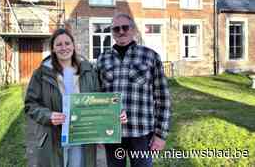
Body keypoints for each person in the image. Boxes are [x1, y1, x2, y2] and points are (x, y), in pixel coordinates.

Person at [96, 13, 171, 167]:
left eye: (125, 27)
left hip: (142, 133)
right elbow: (97, 97)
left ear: (134, 30)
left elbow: (163, 98)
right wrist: (99, 132)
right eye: (116, 29)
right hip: (112, 134)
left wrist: (161, 135)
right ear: (112, 32)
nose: (121, 31)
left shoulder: (150, 56)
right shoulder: (102, 59)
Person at [24, 28, 100, 167]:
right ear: (52, 48)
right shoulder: (41, 73)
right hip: (54, 138)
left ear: (73, 45)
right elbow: (30, 104)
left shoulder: (88, 71)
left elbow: (98, 101)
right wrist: (48, 115)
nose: (64, 47)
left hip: (82, 136)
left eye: (67, 43)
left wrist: (101, 130)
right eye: (59, 44)